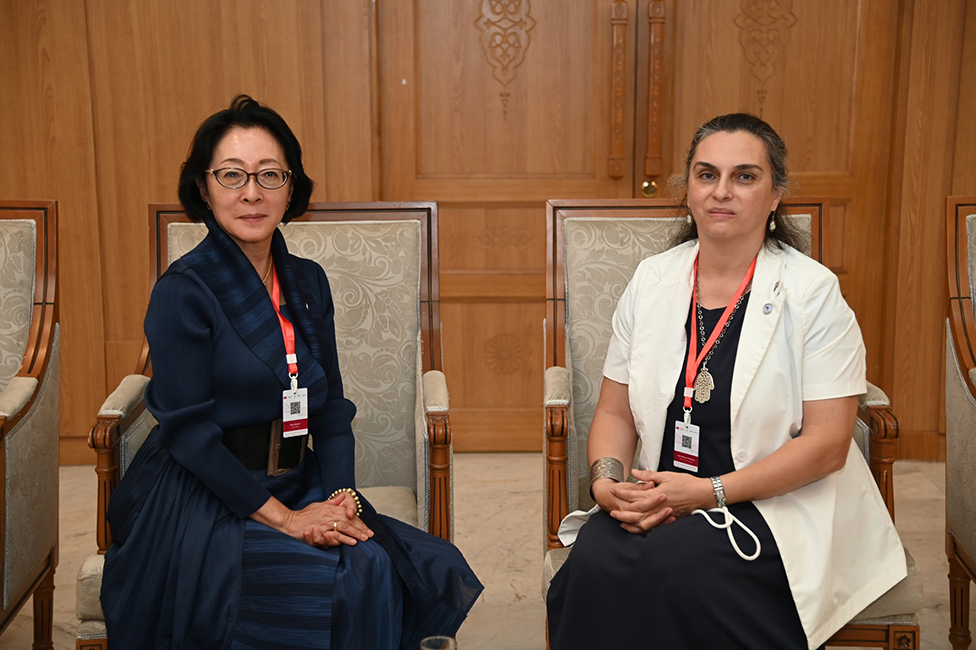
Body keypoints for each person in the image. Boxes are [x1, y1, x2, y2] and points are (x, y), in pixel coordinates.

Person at [100, 95, 482, 649]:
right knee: (340, 579)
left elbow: (331, 410)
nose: (251, 193)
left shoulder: (307, 280)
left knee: (396, 563)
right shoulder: (184, 291)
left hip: (297, 476)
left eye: (269, 175)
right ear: (204, 188)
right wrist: (288, 520)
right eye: (232, 175)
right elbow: (189, 435)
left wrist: (341, 499)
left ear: (290, 186)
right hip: (205, 493)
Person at [546, 113, 906, 650]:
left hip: (772, 505)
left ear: (775, 195)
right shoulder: (652, 280)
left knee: (676, 566)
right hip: (665, 492)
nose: (722, 191)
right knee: (596, 558)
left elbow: (829, 444)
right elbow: (616, 412)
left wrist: (708, 493)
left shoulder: (813, 293)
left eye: (744, 176)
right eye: (707, 174)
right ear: (689, 190)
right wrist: (606, 485)